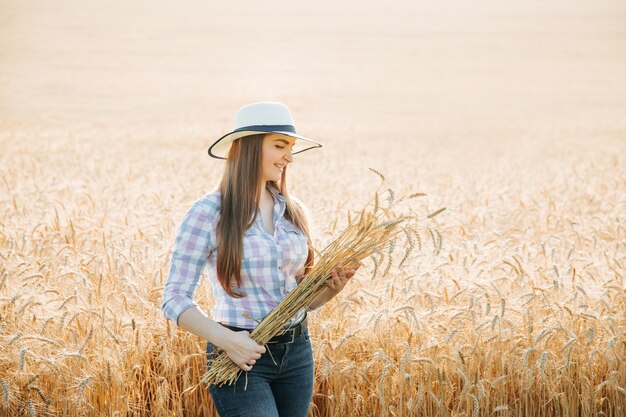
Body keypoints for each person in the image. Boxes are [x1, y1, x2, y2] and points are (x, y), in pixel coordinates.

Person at [161, 101, 360, 417]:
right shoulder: (209, 213)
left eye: (291, 147)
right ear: (248, 148)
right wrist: (228, 341)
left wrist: (328, 291)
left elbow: (299, 297)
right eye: (280, 145)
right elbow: (173, 298)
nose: (289, 158)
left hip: (297, 352)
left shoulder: (293, 211)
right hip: (240, 355)